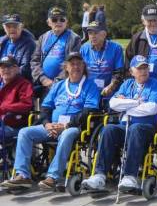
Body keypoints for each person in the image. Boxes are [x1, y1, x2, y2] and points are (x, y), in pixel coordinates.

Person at [2, 53, 100, 190]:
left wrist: (66, 125)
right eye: (72, 64)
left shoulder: (90, 86)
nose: (76, 67)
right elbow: (45, 107)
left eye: (79, 63)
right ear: (66, 67)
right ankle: (23, 175)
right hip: (51, 126)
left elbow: (88, 111)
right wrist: (47, 124)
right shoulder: (59, 85)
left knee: (66, 134)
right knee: (25, 132)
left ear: (83, 66)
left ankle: (52, 177)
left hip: (74, 127)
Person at [82, 55, 157, 192]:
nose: (143, 71)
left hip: (146, 128)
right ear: (132, 72)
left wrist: (126, 105)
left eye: (145, 68)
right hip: (124, 126)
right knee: (108, 129)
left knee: (135, 129)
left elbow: (152, 108)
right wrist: (136, 102)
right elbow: (113, 104)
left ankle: (130, 176)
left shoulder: (156, 85)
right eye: (139, 69)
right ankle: (99, 175)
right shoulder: (127, 84)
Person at [31, 7, 82, 92]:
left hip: (64, 84)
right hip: (43, 83)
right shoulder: (43, 38)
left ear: (66, 21)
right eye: (54, 19)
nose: (58, 22)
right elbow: (34, 60)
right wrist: (43, 79)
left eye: (62, 19)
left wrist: (56, 82)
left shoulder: (74, 38)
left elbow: (73, 64)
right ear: (48, 22)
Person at [79, 21, 124, 101]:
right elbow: (80, 71)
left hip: (110, 90)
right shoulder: (84, 48)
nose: (92, 36)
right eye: (90, 33)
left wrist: (111, 86)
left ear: (104, 34)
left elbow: (119, 72)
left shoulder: (116, 48)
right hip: (89, 91)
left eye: (96, 33)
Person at [0, 56, 33, 141]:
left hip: (14, 125)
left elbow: (26, 105)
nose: (6, 70)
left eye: (9, 67)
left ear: (18, 69)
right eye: (3, 67)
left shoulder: (24, 84)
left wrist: (4, 108)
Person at [0, 14, 36, 81]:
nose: (12, 29)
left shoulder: (29, 44)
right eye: (8, 26)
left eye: (15, 26)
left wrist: (6, 74)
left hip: (18, 83)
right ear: (4, 28)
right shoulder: (2, 42)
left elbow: (25, 70)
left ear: (21, 27)